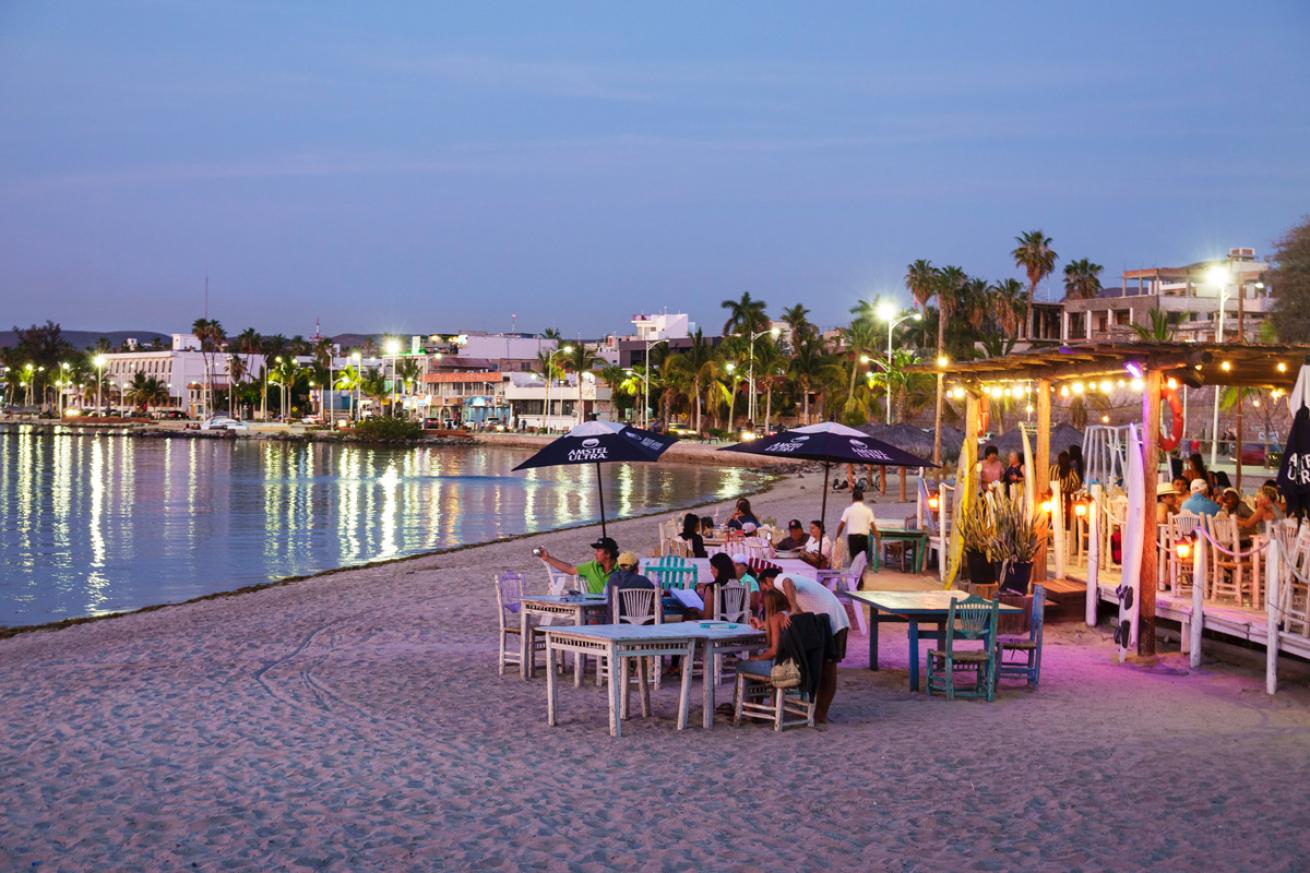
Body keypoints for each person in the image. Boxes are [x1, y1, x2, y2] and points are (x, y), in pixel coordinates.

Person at [756, 567, 849, 727]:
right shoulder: (791, 588)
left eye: (764, 589)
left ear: (769, 581)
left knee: (828, 669)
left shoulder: (781, 579)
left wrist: (794, 608)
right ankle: (819, 714)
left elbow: (787, 582)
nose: (766, 594)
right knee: (824, 669)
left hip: (834, 623)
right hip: (823, 623)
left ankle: (821, 715)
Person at [738, 588, 791, 684]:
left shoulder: (775, 618)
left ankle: (744, 698)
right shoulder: (789, 615)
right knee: (755, 666)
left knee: (742, 665)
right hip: (795, 665)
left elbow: (774, 651)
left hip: (780, 666)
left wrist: (757, 658)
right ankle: (755, 698)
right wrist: (761, 625)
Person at [537, 536, 619, 594]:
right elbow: (570, 569)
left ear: (608, 554)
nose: (595, 553)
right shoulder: (592, 566)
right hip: (595, 610)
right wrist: (548, 558)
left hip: (615, 608)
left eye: (598, 551)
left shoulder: (621, 568)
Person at [605, 552, 656, 623]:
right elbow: (655, 596)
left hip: (615, 624)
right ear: (636, 567)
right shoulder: (644, 581)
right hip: (641, 625)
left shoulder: (613, 579)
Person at [835, 489, 878, 566]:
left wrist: (837, 536)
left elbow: (841, 525)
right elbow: (873, 526)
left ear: (853, 499)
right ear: (862, 499)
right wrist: (878, 540)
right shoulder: (868, 510)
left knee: (854, 559)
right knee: (862, 560)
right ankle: (861, 576)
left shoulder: (848, 510)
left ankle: (855, 576)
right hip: (864, 538)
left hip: (852, 538)